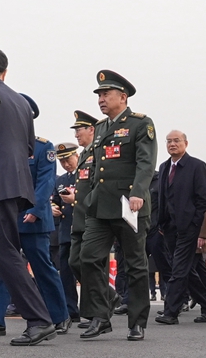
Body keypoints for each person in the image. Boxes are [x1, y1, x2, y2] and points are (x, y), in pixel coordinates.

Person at [0, 54, 56, 346]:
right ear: (5, 71)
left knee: (4, 252)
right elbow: (30, 148)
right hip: (14, 184)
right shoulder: (20, 101)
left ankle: (39, 319)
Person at [80, 70, 156, 341]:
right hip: (101, 206)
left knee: (135, 265)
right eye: (99, 95)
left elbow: (146, 162)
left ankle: (137, 322)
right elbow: (96, 167)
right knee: (88, 258)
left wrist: (138, 192)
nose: (101, 99)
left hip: (129, 205)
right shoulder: (100, 127)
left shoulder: (140, 124)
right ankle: (100, 316)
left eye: (106, 94)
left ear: (122, 97)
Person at [154, 131, 206, 325]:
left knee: (178, 269)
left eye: (176, 141)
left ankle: (171, 312)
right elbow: (162, 197)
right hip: (169, 227)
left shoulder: (197, 166)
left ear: (185, 143)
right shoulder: (164, 167)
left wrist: (195, 225)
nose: (172, 144)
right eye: (169, 141)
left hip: (188, 228)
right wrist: (161, 222)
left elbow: (203, 200)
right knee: (189, 269)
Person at [58, 110, 103, 329]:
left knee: (89, 265)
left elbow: (99, 187)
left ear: (91, 130)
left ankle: (96, 312)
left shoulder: (98, 154)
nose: (76, 134)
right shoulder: (86, 156)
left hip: (92, 221)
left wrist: (76, 199)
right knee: (74, 264)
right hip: (73, 224)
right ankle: (96, 305)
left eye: (79, 130)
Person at [52, 141, 81, 323]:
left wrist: (75, 200)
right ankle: (71, 309)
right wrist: (53, 207)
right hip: (65, 231)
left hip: (82, 228)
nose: (66, 164)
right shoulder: (60, 180)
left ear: (76, 156)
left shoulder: (85, 175)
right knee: (66, 272)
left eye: (68, 160)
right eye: (62, 161)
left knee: (83, 268)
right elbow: (55, 200)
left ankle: (97, 305)